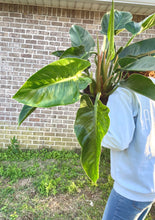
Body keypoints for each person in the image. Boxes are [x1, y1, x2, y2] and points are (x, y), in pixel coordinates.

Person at [101, 72, 155, 220]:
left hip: (130, 189)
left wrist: (95, 133)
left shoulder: (124, 90)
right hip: (150, 187)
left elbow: (119, 141)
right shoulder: (152, 87)